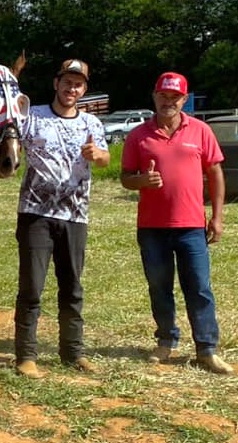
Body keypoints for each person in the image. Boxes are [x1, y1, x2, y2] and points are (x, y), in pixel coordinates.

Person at [120, 72, 233, 374]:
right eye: (163, 96)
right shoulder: (138, 136)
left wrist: (217, 217)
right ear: (154, 97)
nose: (168, 101)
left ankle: (206, 350)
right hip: (152, 228)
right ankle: (165, 341)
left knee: (199, 287)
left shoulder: (200, 130)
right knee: (159, 287)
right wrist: (141, 181)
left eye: (175, 97)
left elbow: (215, 173)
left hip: (191, 226)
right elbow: (126, 178)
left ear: (184, 99)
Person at [13, 59, 110, 379]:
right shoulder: (33, 116)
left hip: (75, 215)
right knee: (32, 288)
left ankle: (73, 352)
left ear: (84, 89)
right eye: (67, 82)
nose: (72, 89)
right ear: (56, 84)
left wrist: (98, 155)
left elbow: (105, 158)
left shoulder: (91, 123)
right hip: (35, 214)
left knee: (72, 288)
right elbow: (8, 142)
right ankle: (26, 356)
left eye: (78, 84)